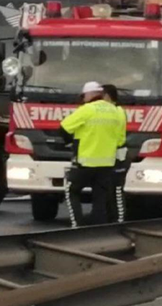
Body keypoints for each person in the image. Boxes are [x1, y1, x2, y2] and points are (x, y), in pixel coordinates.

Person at [60, 81, 127, 227]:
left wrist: (70, 144)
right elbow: (120, 139)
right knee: (100, 198)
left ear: (90, 95)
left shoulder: (87, 109)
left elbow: (64, 128)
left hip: (86, 162)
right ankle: (99, 228)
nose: (83, 99)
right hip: (107, 163)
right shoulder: (116, 111)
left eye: (84, 96)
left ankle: (76, 225)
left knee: (72, 191)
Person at [102, 84, 129, 223]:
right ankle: (112, 218)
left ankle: (119, 219)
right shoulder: (117, 111)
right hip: (112, 154)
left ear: (107, 96)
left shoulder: (116, 111)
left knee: (117, 190)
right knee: (111, 189)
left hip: (118, 154)